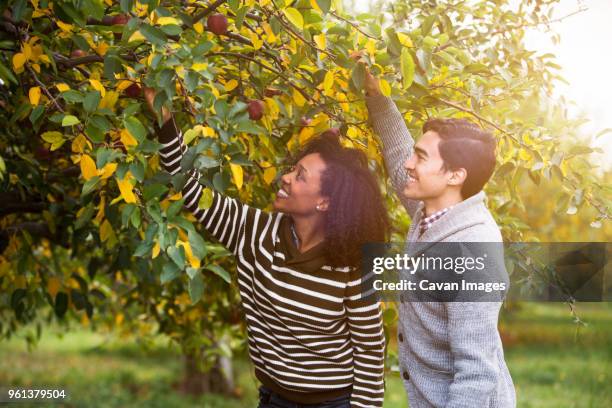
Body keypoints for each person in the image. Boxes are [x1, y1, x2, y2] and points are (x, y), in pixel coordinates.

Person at [144, 88, 388, 408]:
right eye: (292, 169)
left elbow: (370, 352)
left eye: (300, 177)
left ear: (325, 201)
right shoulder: (252, 231)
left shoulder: (354, 265)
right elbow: (188, 185)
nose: (285, 178)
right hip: (273, 398)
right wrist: (164, 118)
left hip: (334, 402)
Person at [361, 66, 516, 407]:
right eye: (415, 153)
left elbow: (477, 372)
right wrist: (377, 96)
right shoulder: (433, 212)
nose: (409, 165)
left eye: (422, 157)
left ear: (455, 175)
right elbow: (399, 153)